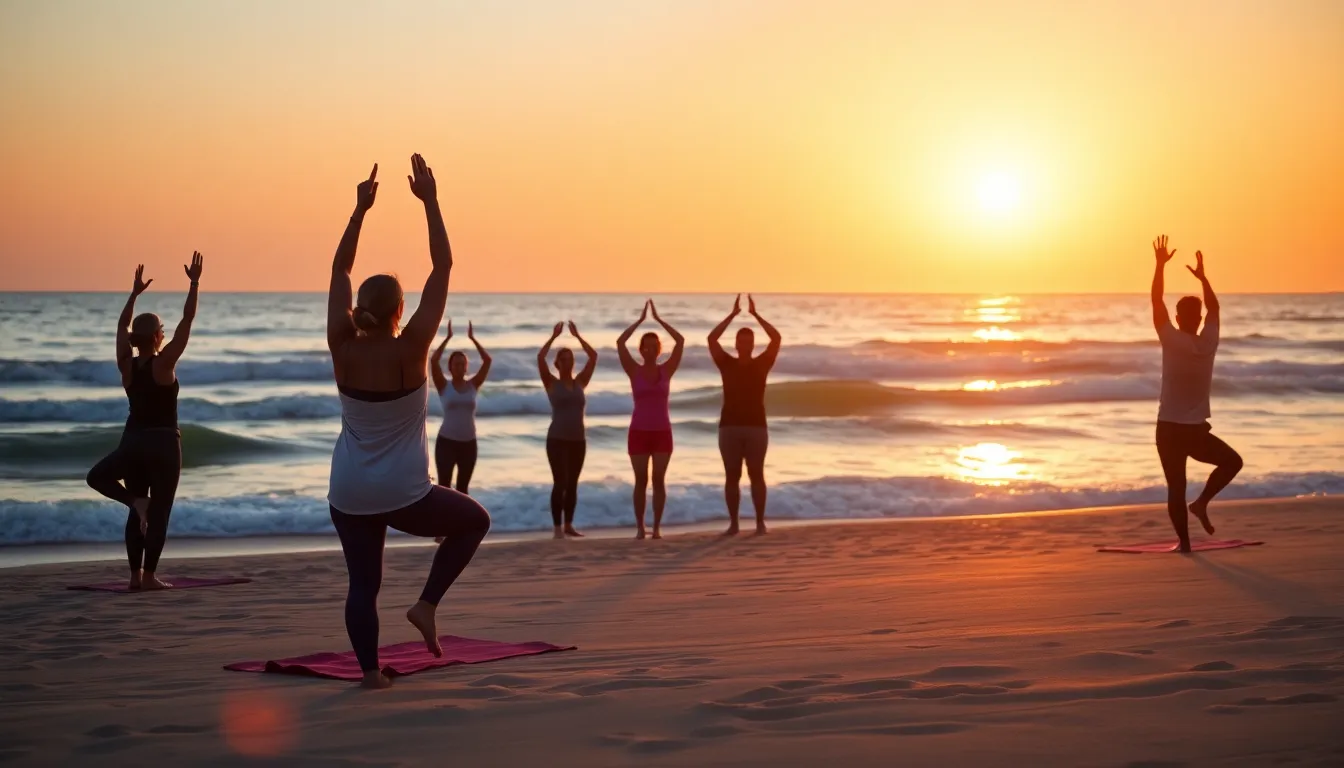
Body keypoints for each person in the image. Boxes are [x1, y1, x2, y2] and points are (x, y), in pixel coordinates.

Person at [326, 157, 491, 689]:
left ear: (359, 311)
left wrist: (358, 211)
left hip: (348, 490)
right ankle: (425, 604)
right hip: (404, 493)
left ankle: (371, 674)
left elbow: (339, 272)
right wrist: (431, 203)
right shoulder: (413, 348)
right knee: (474, 521)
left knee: (362, 585)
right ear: (402, 311)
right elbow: (442, 269)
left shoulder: (342, 346)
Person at [86, 254, 204, 590]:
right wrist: (194, 283)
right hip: (165, 444)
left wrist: (134, 294)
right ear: (157, 337)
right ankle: (150, 577)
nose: (166, 334)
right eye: (162, 331)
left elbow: (121, 328)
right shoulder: (164, 364)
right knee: (160, 512)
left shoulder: (127, 366)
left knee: (112, 489)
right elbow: (188, 321)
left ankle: (135, 576)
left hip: (133, 442)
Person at [1150, 235, 1243, 553]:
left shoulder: (1170, 338)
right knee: (1232, 462)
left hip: (1170, 430)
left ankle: (1185, 542)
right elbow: (1215, 307)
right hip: (1193, 432)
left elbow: (1156, 301)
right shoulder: (1208, 342)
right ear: (1199, 319)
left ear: (1178, 319)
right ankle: (1201, 503)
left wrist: (1160, 266)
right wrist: (1204, 278)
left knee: (1176, 487)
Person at [707, 294, 781, 535]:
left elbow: (776, 338)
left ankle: (760, 523)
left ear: (753, 345)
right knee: (732, 476)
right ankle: (734, 524)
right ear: (737, 344)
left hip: (756, 427)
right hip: (729, 427)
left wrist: (756, 315)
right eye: (742, 341)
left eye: (750, 341)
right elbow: (712, 338)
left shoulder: (762, 364)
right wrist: (732, 315)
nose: (746, 345)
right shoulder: (726, 364)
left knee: (756, 475)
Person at [616, 299, 684, 539]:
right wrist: (640, 320)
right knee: (641, 481)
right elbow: (620, 342)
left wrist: (659, 320)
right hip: (639, 432)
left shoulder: (667, 370)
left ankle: (656, 528)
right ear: (641, 349)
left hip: (662, 432)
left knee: (659, 480)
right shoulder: (633, 370)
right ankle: (640, 528)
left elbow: (680, 341)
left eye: (654, 346)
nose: (649, 350)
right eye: (645, 346)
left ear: (659, 349)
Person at [537, 321, 597, 539]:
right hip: (557, 439)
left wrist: (578, 336)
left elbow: (593, 357)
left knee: (572, 483)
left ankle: (569, 525)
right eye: (563, 360)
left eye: (570, 359)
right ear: (557, 364)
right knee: (560, 481)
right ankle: (556, 528)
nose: (567, 362)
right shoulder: (551, 382)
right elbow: (540, 359)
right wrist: (553, 337)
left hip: (578, 439)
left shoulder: (580, 382)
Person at [430, 318, 492, 494]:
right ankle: (443, 522)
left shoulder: (473, 385)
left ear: (466, 367)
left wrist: (472, 338)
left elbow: (487, 360)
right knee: (444, 487)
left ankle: (461, 522)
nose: (459, 367)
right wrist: (447, 337)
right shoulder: (443, 385)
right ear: (450, 367)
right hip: (446, 442)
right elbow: (434, 361)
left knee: (463, 489)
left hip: (469, 443)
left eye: (462, 364)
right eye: (455, 364)